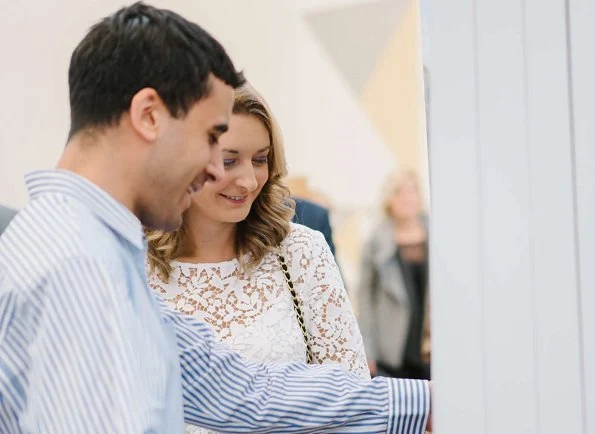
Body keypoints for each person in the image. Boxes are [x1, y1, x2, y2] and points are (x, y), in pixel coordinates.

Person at [0, 3, 431, 433]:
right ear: (148, 115)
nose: (213, 170)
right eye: (209, 138)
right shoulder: (77, 268)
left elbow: (234, 388)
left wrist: (425, 403)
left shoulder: (91, 247)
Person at [146, 86, 368, 432]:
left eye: (260, 159)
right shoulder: (132, 265)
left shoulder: (301, 253)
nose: (249, 180)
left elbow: (354, 403)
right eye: (229, 160)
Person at [358, 170, 431, 380]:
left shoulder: (437, 233)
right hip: (392, 348)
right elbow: (365, 300)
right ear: (389, 199)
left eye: (412, 191)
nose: (407, 198)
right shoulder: (375, 241)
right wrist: (368, 350)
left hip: (430, 344)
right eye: (399, 192)